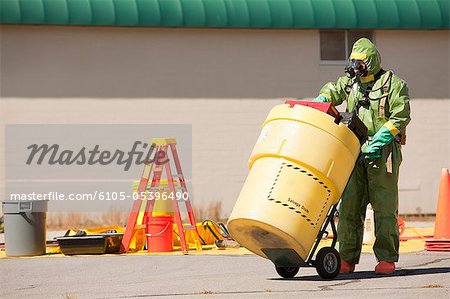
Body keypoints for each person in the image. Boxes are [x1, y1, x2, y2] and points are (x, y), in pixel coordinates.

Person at [313, 38, 411, 275]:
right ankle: (346, 258)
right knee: (349, 207)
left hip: (382, 152)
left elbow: (400, 115)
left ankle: (386, 258)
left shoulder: (394, 84)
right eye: (354, 63)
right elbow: (334, 90)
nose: (356, 68)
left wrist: (379, 141)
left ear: (371, 61)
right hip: (354, 150)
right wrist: (322, 100)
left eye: (360, 63)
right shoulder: (352, 82)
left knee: (384, 207)